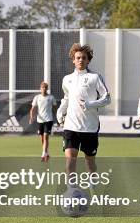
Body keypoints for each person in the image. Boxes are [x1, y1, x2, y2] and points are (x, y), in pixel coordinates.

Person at [56, 44, 110, 192]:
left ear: (88, 60)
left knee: (89, 161)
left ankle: (93, 187)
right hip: (70, 125)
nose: (80, 60)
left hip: (90, 127)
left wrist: (90, 104)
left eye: (84, 58)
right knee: (70, 159)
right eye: (78, 57)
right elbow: (66, 98)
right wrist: (60, 112)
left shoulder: (95, 77)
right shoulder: (67, 79)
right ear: (73, 60)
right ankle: (71, 190)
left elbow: (107, 98)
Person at [29, 81, 57, 162]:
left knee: (45, 136)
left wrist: (57, 117)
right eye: (42, 87)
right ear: (40, 89)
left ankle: (43, 153)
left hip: (49, 120)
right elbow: (33, 108)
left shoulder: (51, 97)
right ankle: (46, 152)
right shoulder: (37, 97)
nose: (44, 89)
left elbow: (55, 108)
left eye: (45, 87)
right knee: (42, 138)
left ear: (47, 89)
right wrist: (31, 117)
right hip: (40, 120)